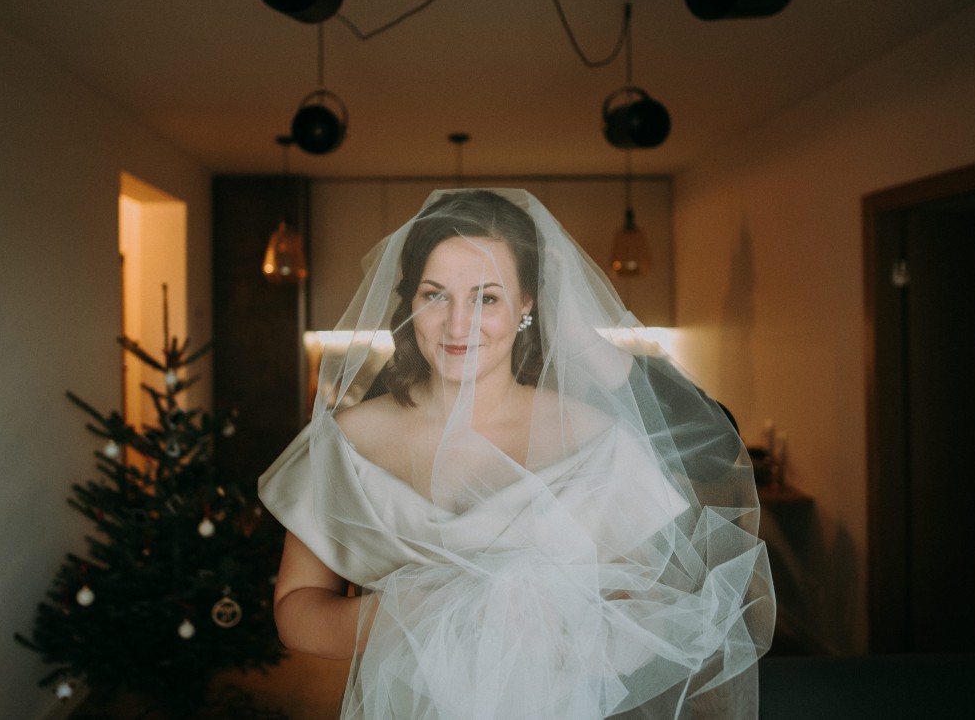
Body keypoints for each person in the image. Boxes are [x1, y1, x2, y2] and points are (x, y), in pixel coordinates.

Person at [258, 189, 774, 719]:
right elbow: (295, 610)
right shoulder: (346, 441)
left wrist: (571, 635)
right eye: (435, 295)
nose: (458, 325)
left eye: (486, 298)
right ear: (409, 301)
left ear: (526, 304)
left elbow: (652, 607)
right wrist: (396, 614)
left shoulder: (594, 439)